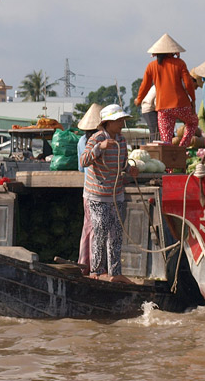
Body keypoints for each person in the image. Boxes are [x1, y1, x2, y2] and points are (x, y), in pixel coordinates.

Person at [79, 104, 139, 284]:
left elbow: (123, 165)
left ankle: (115, 272)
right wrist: (100, 148)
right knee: (100, 231)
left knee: (116, 233)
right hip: (97, 195)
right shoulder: (96, 138)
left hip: (115, 194)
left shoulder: (121, 140)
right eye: (119, 120)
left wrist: (130, 170)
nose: (121, 123)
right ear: (108, 122)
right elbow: (84, 160)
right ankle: (96, 271)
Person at [134, 33, 198, 146]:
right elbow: (188, 84)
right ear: (172, 51)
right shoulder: (180, 63)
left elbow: (145, 85)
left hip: (163, 109)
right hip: (182, 105)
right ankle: (182, 146)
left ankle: (168, 159)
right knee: (193, 122)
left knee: (166, 140)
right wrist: (193, 100)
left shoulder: (151, 66)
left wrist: (139, 100)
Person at [75, 103, 102, 275]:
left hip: (87, 190)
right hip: (95, 191)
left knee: (88, 228)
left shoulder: (81, 141)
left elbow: (80, 168)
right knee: (95, 230)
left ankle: (84, 264)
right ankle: (93, 267)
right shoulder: (98, 142)